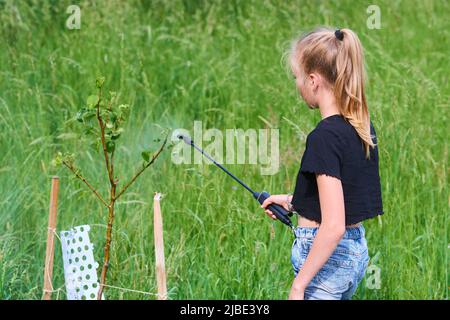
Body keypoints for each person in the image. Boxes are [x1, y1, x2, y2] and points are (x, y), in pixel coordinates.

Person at [261, 27, 384, 300]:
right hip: (352, 252)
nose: (297, 84)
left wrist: (299, 284)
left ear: (313, 80)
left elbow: (333, 225)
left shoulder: (323, 138)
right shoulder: (361, 127)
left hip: (326, 259)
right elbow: (342, 199)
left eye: (297, 78)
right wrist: (294, 202)